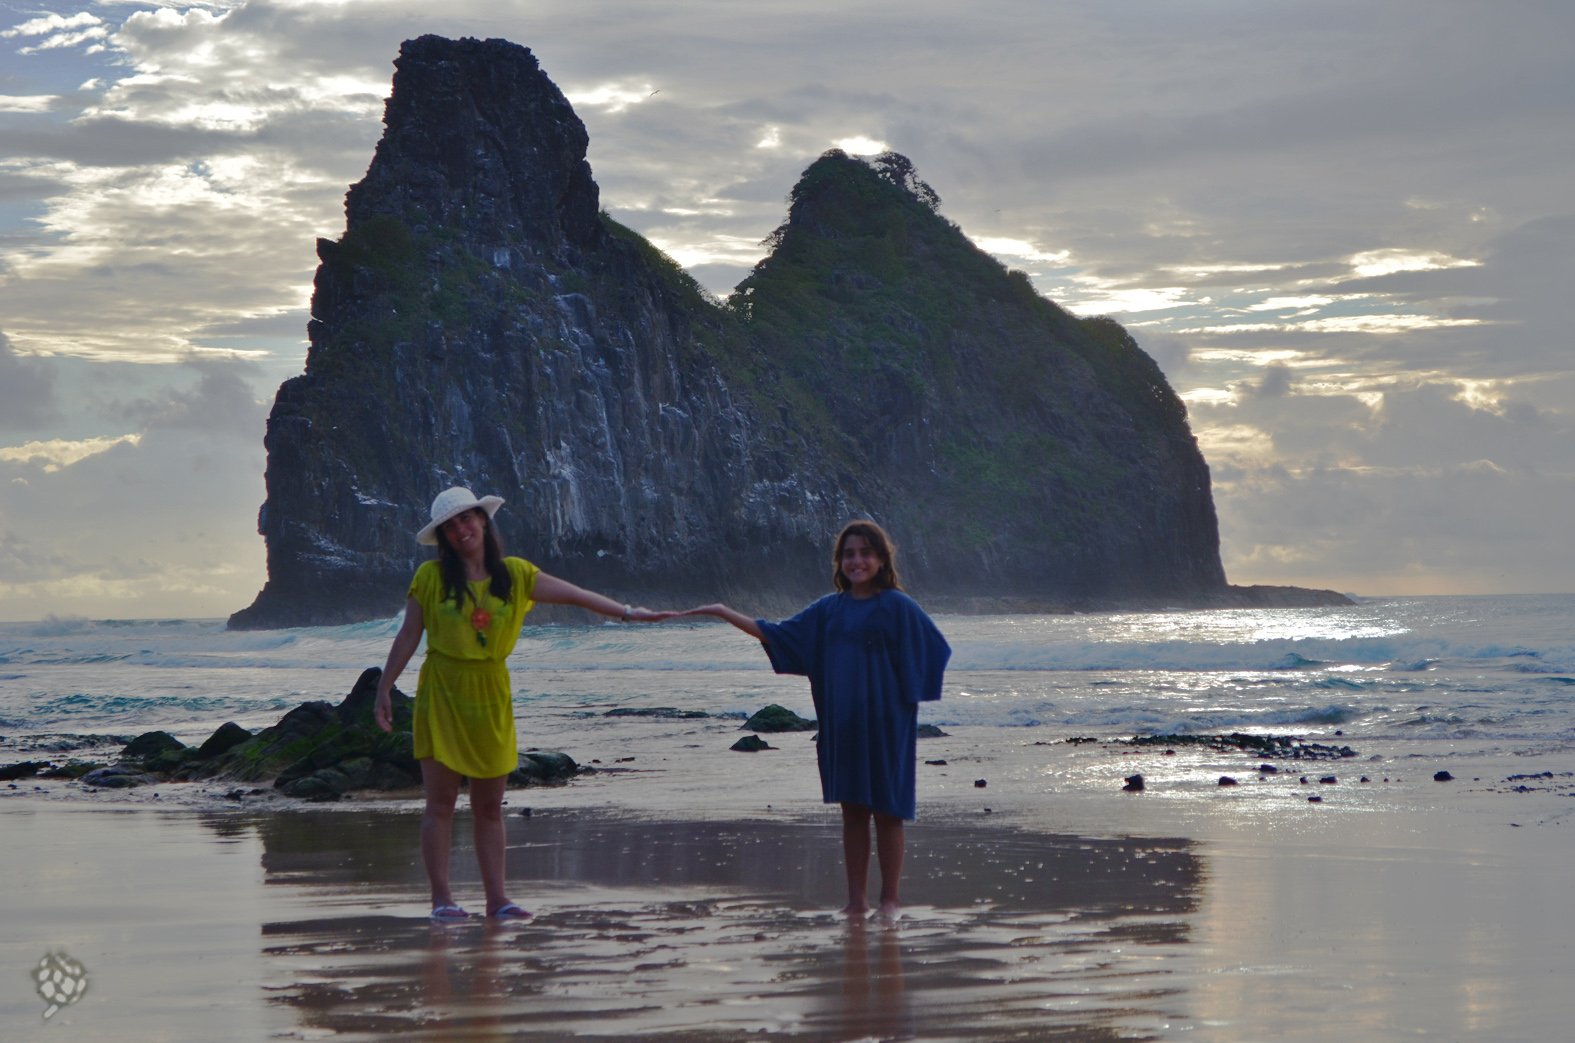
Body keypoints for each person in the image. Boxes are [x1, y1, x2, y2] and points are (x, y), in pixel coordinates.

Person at [375, 486, 675, 921]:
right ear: (443, 536)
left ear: (483, 520)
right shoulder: (430, 579)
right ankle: (442, 900)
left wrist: (628, 613)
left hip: (491, 692)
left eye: (467, 518)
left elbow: (576, 595)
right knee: (440, 803)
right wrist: (385, 688)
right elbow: (408, 636)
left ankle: (498, 899)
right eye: (451, 525)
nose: (462, 529)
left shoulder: (515, 575)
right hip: (442, 691)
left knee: (489, 806)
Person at [682, 520, 950, 919]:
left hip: (887, 727)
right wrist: (725, 613)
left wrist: (904, 697)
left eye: (864, 553)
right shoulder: (829, 610)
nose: (856, 560)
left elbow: (934, 648)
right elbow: (778, 634)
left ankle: (890, 900)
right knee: (853, 811)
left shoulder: (897, 606)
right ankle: (857, 901)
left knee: (889, 811)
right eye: (848, 554)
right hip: (841, 726)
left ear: (881, 558)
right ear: (839, 562)